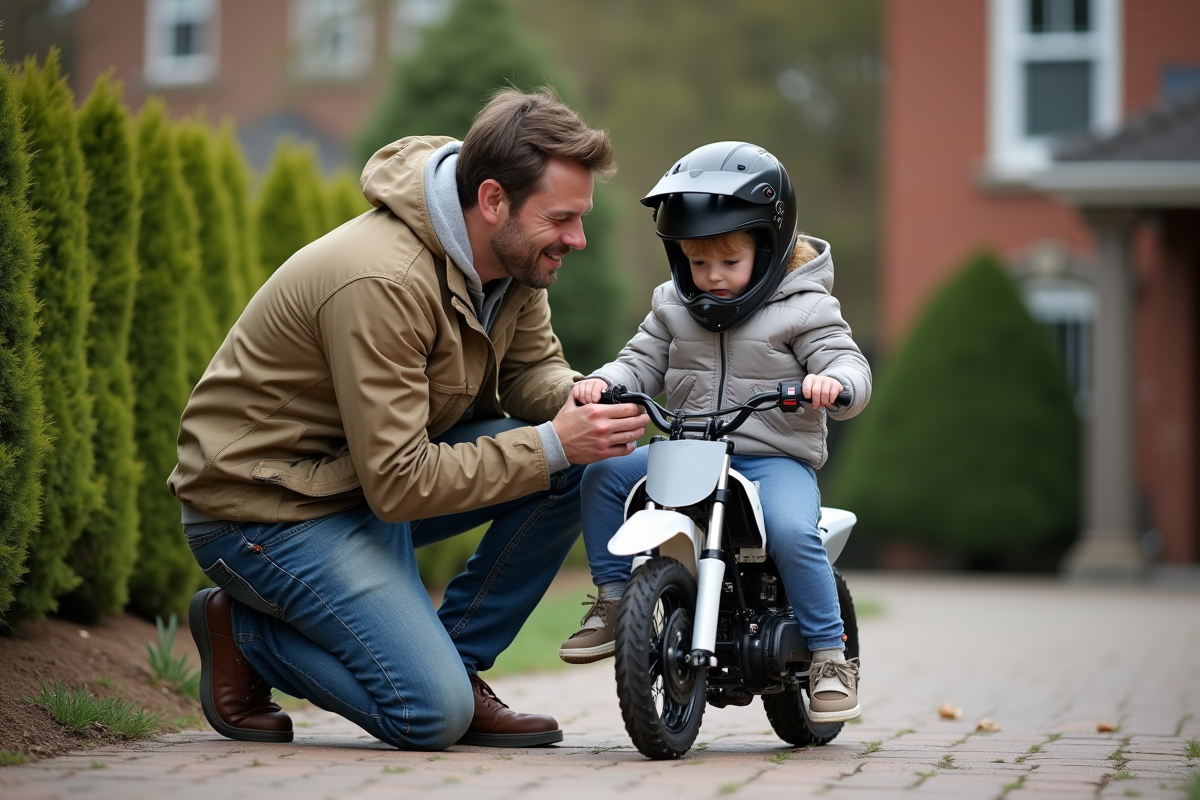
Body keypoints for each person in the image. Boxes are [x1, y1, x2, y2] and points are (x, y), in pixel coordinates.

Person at [169, 88, 650, 751]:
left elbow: (528, 373)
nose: (578, 238)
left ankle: (457, 663)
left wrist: (584, 398)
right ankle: (246, 635)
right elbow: (399, 484)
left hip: (358, 481)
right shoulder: (384, 282)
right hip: (264, 510)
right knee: (428, 717)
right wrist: (553, 444)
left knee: (578, 464)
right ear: (492, 201)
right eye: (562, 218)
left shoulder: (511, 262)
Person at [556, 141, 872, 722]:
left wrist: (833, 384)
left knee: (790, 530)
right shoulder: (673, 307)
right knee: (602, 472)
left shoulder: (805, 306)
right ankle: (612, 597)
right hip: (689, 452)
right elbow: (638, 361)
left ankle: (830, 654)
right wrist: (601, 382)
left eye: (729, 263)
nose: (713, 278)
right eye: (698, 264)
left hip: (771, 458)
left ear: (770, 250)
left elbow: (846, 362)